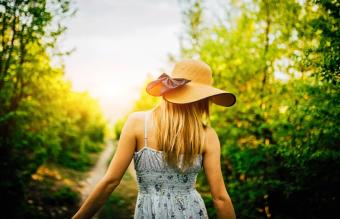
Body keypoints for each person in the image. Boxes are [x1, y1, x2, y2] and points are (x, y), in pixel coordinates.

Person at [72, 60, 237, 219]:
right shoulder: (207, 135)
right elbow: (220, 198)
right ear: (203, 99)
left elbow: (110, 182)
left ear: (169, 90)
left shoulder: (137, 123)